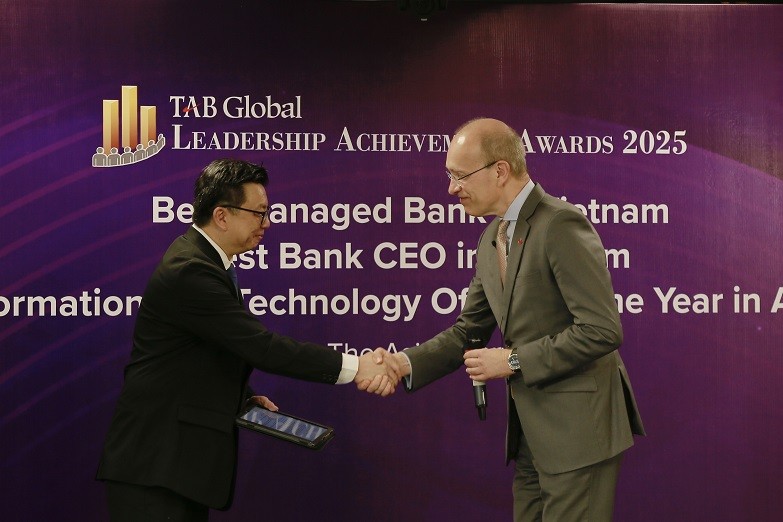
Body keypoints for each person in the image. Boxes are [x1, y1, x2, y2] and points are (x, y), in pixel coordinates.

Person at [96, 159, 399, 521]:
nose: (266, 223)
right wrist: (357, 366)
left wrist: (240, 395)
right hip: (155, 469)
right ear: (222, 216)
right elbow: (260, 346)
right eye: (258, 213)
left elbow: (204, 353)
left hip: (170, 469)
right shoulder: (191, 270)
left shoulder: (204, 260)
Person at [390, 118, 645, 521]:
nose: (451, 189)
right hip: (530, 437)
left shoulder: (559, 224)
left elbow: (601, 330)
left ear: (500, 170)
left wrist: (511, 360)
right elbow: (469, 331)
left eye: (459, 176)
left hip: (579, 434)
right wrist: (403, 363)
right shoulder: (490, 238)